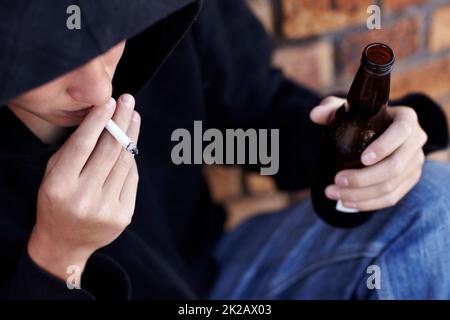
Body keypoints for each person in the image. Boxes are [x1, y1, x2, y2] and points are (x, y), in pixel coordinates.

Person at [0, 0, 449, 299]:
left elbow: (260, 115)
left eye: (111, 36)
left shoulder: (163, 20)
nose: (100, 88)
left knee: (434, 201)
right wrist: (58, 259)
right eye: (49, 65)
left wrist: (377, 145)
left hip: (217, 285)